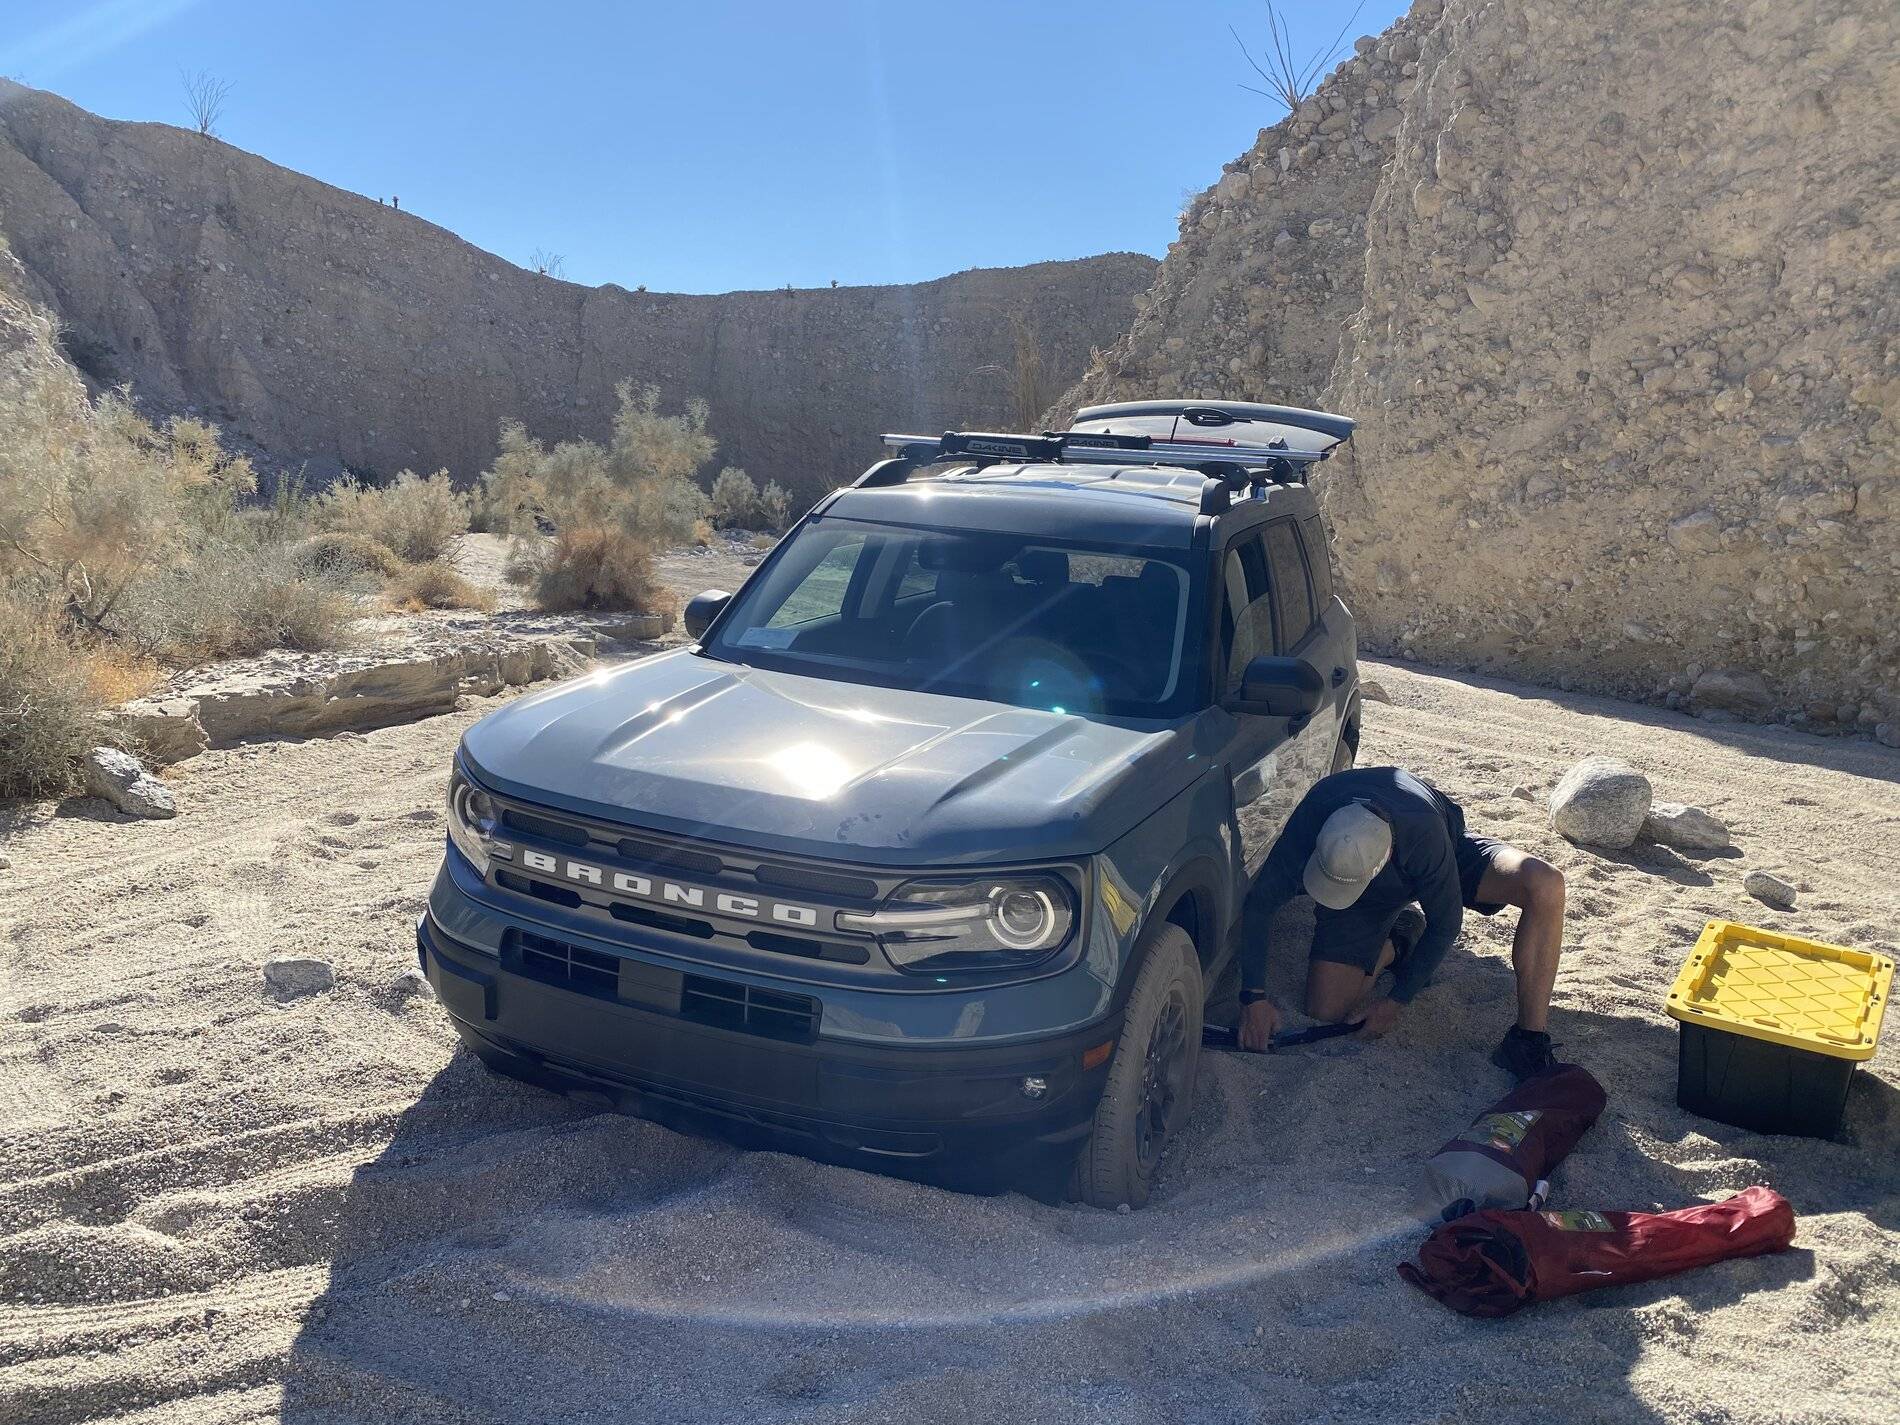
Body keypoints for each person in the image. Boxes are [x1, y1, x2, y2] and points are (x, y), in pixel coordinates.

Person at [1236, 766, 1566, 1080]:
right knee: (1326, 1010)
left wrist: (1396, 1001)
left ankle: (1527, 1039)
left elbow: (1446, 923)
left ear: (1387, 856)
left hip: (1439, 848)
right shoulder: (1316, 813)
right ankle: (1397, 942)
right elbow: (1260, 904)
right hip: (1365, 888)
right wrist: (1253, 998)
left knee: (1545, 884)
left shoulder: (1423, 833)